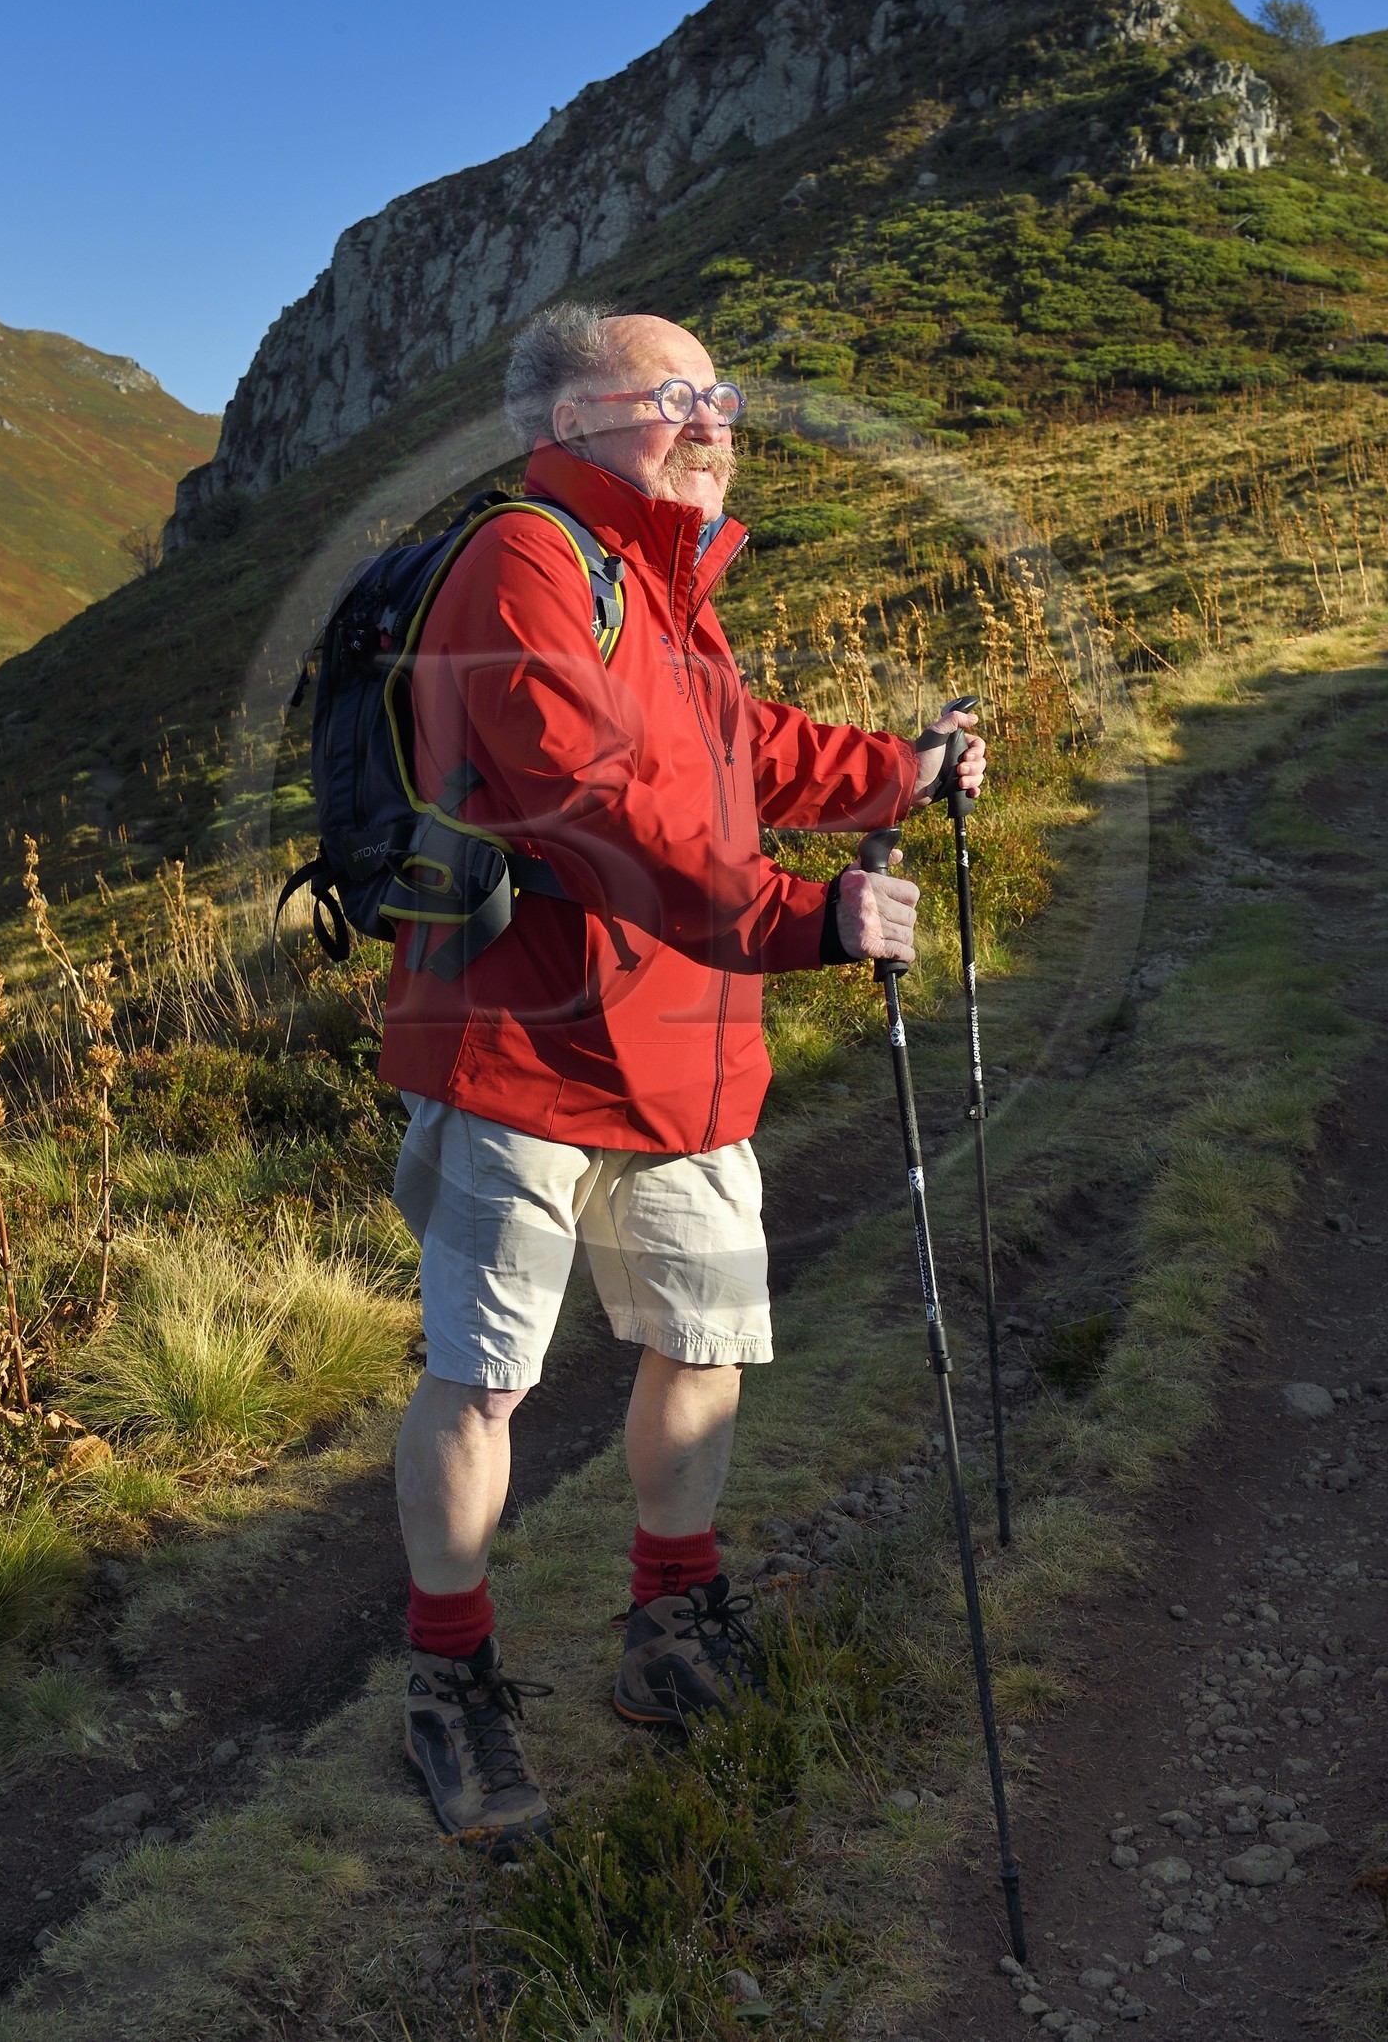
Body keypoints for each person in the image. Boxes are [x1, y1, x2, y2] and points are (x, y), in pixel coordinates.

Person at [379, 301, 985, 1843]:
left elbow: (739, 751)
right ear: (567, 421)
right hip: (518, 1051)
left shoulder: (658, 586)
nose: (715, 418)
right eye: (674, 394)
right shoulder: (522, 561)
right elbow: (583, 804)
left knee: (703, 1342)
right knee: (486, 1377)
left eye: (719, 395)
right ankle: (449, 1683)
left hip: (681, 1045)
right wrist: (802, 919)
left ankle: (670, 1628)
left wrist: (901, 772)